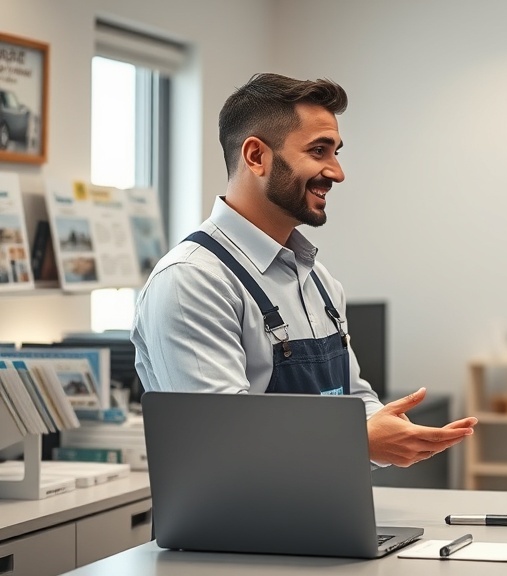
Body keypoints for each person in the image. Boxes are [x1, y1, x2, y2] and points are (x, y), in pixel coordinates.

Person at [131, 73, 476, 467]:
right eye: (318, 151)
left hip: (324, 503)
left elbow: (352, 399)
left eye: (336, 153)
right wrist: (357, 441)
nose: (337, 172)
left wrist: (391, 431)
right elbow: (221, 443)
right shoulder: (191, 281)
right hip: (235, 511)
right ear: (256, 156)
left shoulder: (319, 281)